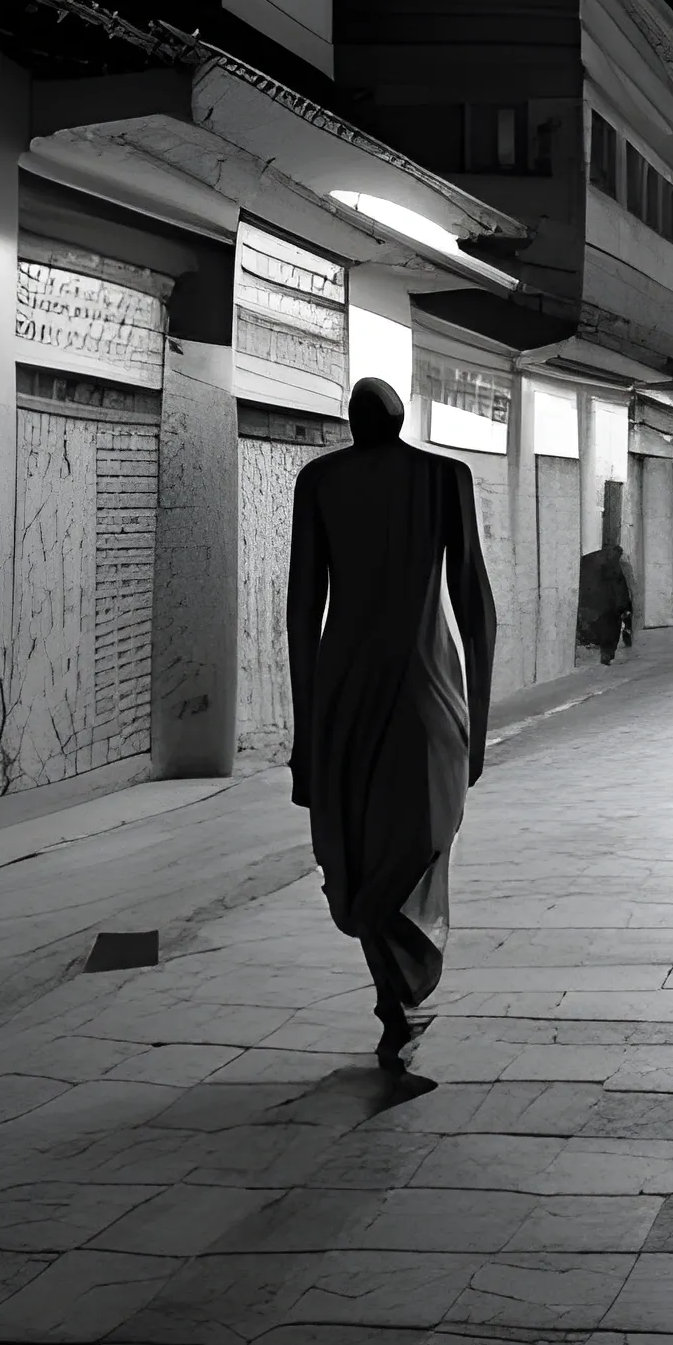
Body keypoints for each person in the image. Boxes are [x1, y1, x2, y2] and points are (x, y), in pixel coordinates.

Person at [288, 377, 497, 1068]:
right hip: (425, 689)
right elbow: (476, 605)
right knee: (415, 841)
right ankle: (394, 999)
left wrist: (306, 730)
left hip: (352, 691)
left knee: (371, 848)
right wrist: (481, 720)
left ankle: (395, 996)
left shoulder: (323, 481)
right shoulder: (443, 477)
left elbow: (300, 616)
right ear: (401, 418)